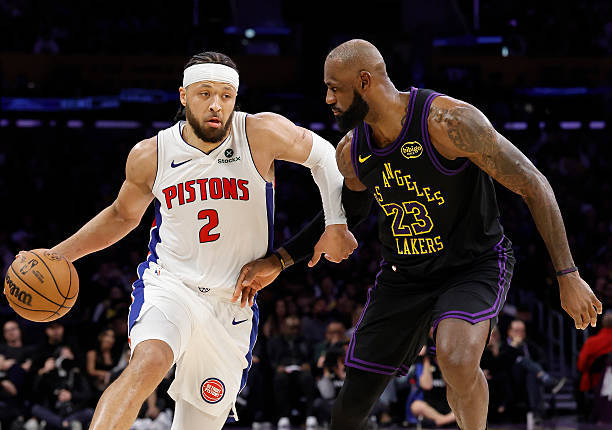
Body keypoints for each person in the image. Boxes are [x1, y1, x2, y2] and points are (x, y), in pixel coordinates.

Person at [234, 39, 603, 430]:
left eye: (334, 88)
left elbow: (532, 182)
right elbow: (342, 215)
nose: (328, 99)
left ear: (364, 82)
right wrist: (279, 260)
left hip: (471, 266)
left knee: (456, 359)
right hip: (404, 277)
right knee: (349, 408)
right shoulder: (352, 152)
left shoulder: (448, 123)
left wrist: (567, 274)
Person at [19, 51, 357, 430]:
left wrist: (336, 222)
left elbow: (326, 156)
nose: (216, 105)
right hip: (171, 286)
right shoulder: (152, 154)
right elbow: (122, 216)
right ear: (183, 95)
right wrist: (57, 255)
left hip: (232, 302)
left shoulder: (259, 133)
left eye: (226, 95)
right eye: (205, 93)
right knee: (148, 362)